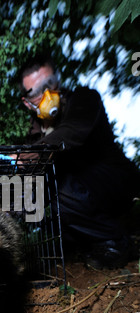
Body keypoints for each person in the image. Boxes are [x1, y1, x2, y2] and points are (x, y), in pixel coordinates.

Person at [16, 54, 140, 269]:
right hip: (78, 194)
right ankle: (87, 242)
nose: (47, 93)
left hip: (112, 183)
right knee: (38, 201)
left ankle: (117, 241)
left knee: (57, 183)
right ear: (27, 102)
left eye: (49, 83)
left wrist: (29, 155)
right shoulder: (34, 134)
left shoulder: (85, 98)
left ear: (58, 80)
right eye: (36, 92)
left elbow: (72, 131)